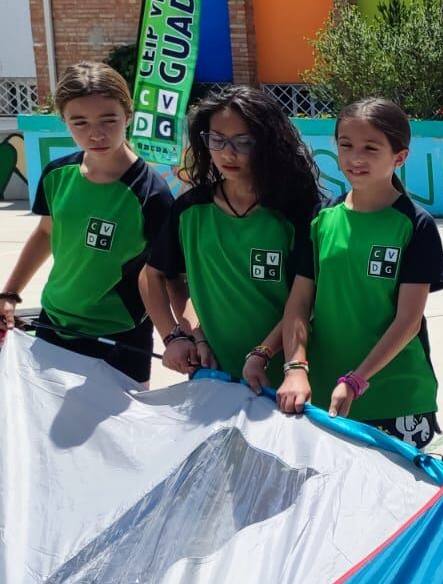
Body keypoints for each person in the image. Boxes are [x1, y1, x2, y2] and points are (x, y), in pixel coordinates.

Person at [278, 99, 443, 450]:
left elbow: (408, 321)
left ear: (399, 157)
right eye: (346, 146)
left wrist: (357, 380)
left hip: (396, 398)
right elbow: (298, 303)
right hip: (326, 396)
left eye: (370, 148)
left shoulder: (415, 225)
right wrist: (295, 367)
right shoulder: (321, 218)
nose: (355, 158)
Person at [0, 63, 173, 384]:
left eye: (109, 119)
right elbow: (45, 234)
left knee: (118, 434)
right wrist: (9, 293)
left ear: (128, 115)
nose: (96, 133)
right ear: (64, 122)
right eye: (80, 122)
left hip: (119, 335)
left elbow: (171, 276)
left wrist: (177, 337)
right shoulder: (56, 174)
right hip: (53, 323)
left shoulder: (152, 194)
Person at [141, 87, 324, 387]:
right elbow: (156, 276)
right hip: (212, 376)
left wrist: (265, 354)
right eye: (217, 140)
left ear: (268, 143)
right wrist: (181, 336)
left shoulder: (296, 212)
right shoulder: (190, 210)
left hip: (286, 381)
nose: (228, 153)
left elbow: (307, 300)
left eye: (243, 142)